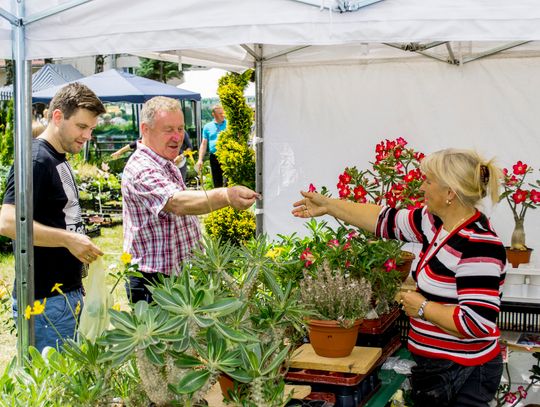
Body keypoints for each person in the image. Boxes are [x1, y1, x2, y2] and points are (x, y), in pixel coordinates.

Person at [292, 149, 506, 407]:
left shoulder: (480, 245)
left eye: (428, 180)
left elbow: (477, 323)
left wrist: (423, 308)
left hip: (464, 373)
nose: (421, 186)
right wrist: (329, 205)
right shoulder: (435, 223)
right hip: (438, 368)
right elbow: (384, 220)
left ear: (450, 193)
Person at [0, 83, 106, 351]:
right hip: (46, 303)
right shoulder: (37, 160)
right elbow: (8, 222)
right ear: (57, 116)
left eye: (91, 129)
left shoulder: (57, 157)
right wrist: (69, 239)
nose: (87, 136)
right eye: (82, 127)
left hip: (64, 296)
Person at [122, 96, 258, 303]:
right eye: (168, 130)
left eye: (180, 129)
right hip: (152, 281)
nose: (177, 137)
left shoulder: (165, 161)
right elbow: (176, 202)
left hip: (175, 275)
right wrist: (226, 195)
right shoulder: (141, 167)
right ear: (145, 129)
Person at [111, 131, 193, 182]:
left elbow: (190, 148)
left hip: (179, 163)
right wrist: (119, 152)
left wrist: (181, 156)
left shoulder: (182, 132)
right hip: (163, 163)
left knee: (179, 184)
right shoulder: (154, 131)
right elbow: (135, 143)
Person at [196, 105, 226, 187]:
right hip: (214, 157)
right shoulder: (207, 127)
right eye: (220, 113)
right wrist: (200, 159)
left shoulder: (229, 124)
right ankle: (219, 199)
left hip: (227, 156)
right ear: (213, 114)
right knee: (217, 183)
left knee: (227, 182)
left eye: (223, 113)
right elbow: (204, 143)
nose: (222, 115)